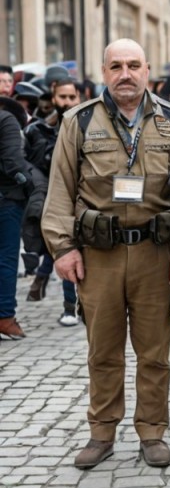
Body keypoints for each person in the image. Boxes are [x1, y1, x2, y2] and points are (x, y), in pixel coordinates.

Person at [41, 38, 170, 469]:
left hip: (156, 254)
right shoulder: (79, 120)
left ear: (147, 70)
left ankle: (152, 432)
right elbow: (60, 189)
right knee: (103, 351)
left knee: (154, 353)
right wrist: (62, 247)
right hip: (99, 256)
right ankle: (102, 431)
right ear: (104, 71)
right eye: (116, 66)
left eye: (133, 65)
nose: (125, 74)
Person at [23, 75, 82, 325]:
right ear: (53, 97)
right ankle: (70, 307)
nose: (67, 102)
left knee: (73, 249)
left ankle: (44, 278)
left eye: (72, 97)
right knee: (63, 247)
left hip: (82, 198)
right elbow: (29, 161)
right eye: (63, 97)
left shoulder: (88, 124)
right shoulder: (39, 129)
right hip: (50, 197)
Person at [0, 96, 33, 339]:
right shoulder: (7, 118)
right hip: (6, 199)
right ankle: (5, 317)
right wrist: (31, 184)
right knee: (6, 259)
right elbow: (13, 161)